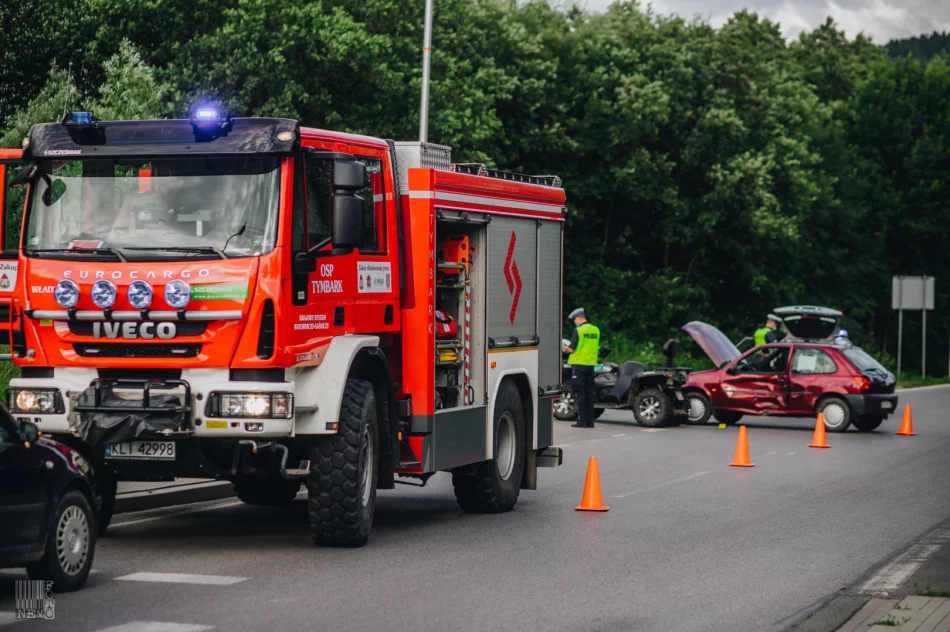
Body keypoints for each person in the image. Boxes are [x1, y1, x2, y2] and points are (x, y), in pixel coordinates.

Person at [563, 307, 600, 428]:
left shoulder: (579, 330)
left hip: (579, 366)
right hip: (591, 366)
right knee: (589, 394)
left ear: (579, 318)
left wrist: (562, 345)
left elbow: (571, 349)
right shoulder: (595, 330)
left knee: (580, 394)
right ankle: (590, 422)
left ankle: (582, 421)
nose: (574, 322)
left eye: (574, 320)